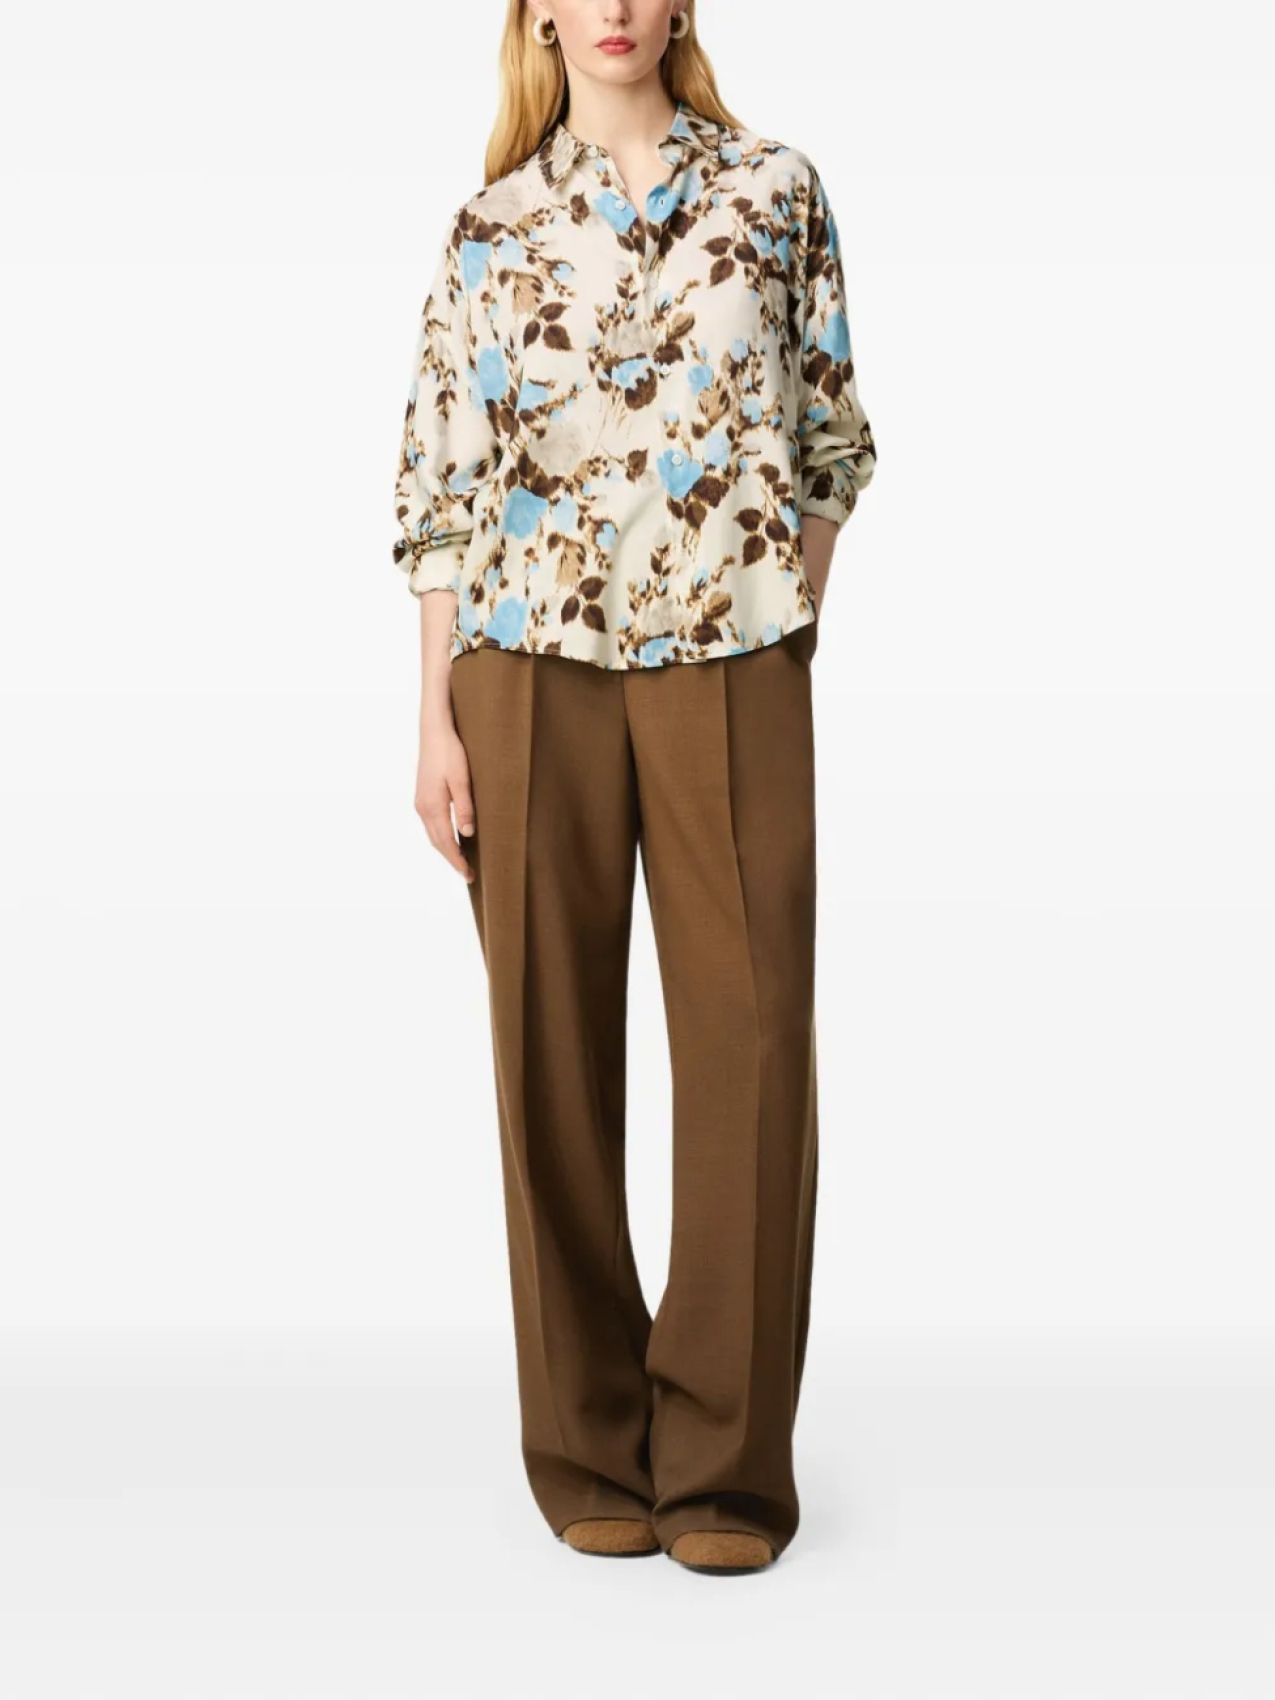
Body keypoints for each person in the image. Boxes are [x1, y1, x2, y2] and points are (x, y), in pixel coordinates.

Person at [391, 0, 876, 1577]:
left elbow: (830, 444)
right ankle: (590, 1440)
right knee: (547, 1048)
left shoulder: (776, 191)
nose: (611, 9)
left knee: (754, 1044)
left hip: (733, 662)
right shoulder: (488, 226)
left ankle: (726, 1468)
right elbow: (442, 492)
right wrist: (434, 717)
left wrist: (784, 621)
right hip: (523, 665)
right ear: (535, 11)